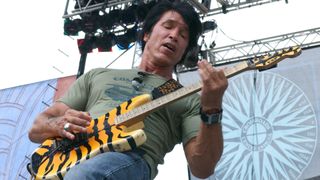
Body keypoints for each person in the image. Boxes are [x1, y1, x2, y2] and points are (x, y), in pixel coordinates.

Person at [28, 0, 228, 179]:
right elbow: (37, 128)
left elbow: (203, 167)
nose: (174, 35)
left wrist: (212, 108)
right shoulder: (97, 75)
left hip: (130, 159)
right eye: (168, 26)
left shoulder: (188, 98)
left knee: (89, 173)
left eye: (183, 35)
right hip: (71, 158)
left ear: (185, 50)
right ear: (146, 34)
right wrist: (60, 125)